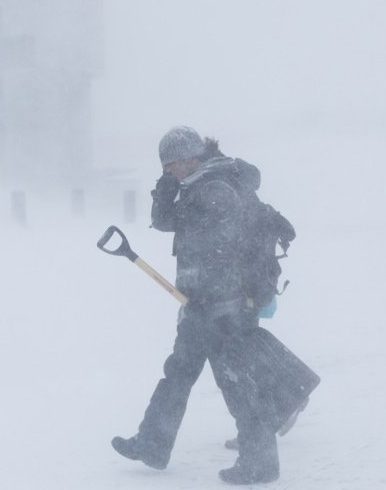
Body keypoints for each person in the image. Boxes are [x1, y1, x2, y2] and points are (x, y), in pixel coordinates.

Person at [111, 126, 281, 485]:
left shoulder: (217, 189)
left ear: (189, 159)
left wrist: (211, 301)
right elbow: (165, 221)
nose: (169, 171)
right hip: (202, 303)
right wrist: (167, 185)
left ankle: (261, 463)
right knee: (178, 374)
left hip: (224, 306)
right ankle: (152, 444)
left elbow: (223, 251)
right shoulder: (195, 185)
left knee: (236, 382)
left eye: (171, 166)